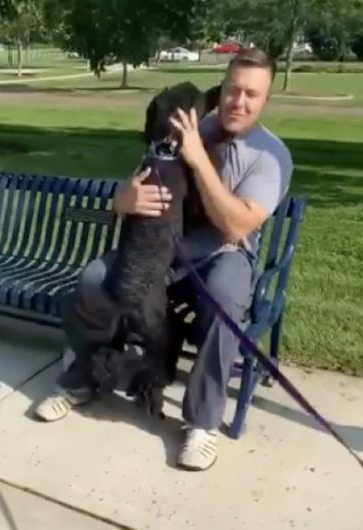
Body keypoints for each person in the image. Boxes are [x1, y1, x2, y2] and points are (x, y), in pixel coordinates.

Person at [33, 48, 293, 471]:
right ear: (220, 88)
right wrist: (124, 198)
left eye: (251, 94)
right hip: (161, 251)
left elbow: (235, 226)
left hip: (223, 256)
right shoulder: (190, 120)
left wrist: (196, 158)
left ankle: (202, 423)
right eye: (233, 90)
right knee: (94, 279)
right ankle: (81, 378)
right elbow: (142, 175)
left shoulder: (271, 156)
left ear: (265, 100)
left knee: (226, 297)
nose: (239, 102)